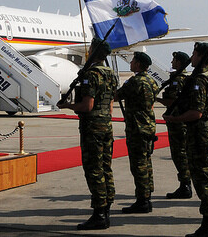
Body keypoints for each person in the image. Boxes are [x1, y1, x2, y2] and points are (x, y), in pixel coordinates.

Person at [57, 38, 118, 230]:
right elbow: (109, 104)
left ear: (93, 52)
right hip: (106, 125)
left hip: (92, 127)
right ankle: (106, 207)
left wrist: (67, 105)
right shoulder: (111, 74)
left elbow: (87, 105)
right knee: (105, 166)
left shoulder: (91, 75)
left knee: (94, 169)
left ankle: (99, 213)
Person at [164, 42, 208, 237]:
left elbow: (196, 112)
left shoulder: (199, 81)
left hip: (200, 135)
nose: (192, 57)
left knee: (203, 179)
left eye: (194, 54)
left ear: (200, 56)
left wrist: (175, 118)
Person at [116, 52, 159, 214]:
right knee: (146, 164)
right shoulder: (151, 81)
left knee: (139, 165)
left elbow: (117, 95)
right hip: (148, 127)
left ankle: (142, 200)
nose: (131, 63)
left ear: (139, 64)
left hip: (137, 128)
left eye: (133, 61)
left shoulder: (135, 82)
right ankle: (147, 195)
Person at [156, 51, 192, 199]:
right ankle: (185, 184)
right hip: (178, 121)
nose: (171, 63)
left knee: (180, 154)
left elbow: (173, 101)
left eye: (174, 60)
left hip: (178, 122)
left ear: (179, 62)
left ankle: (185, 185)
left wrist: (157, 99)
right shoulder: (179, 78)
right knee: (180, 154)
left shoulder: (178, 80)